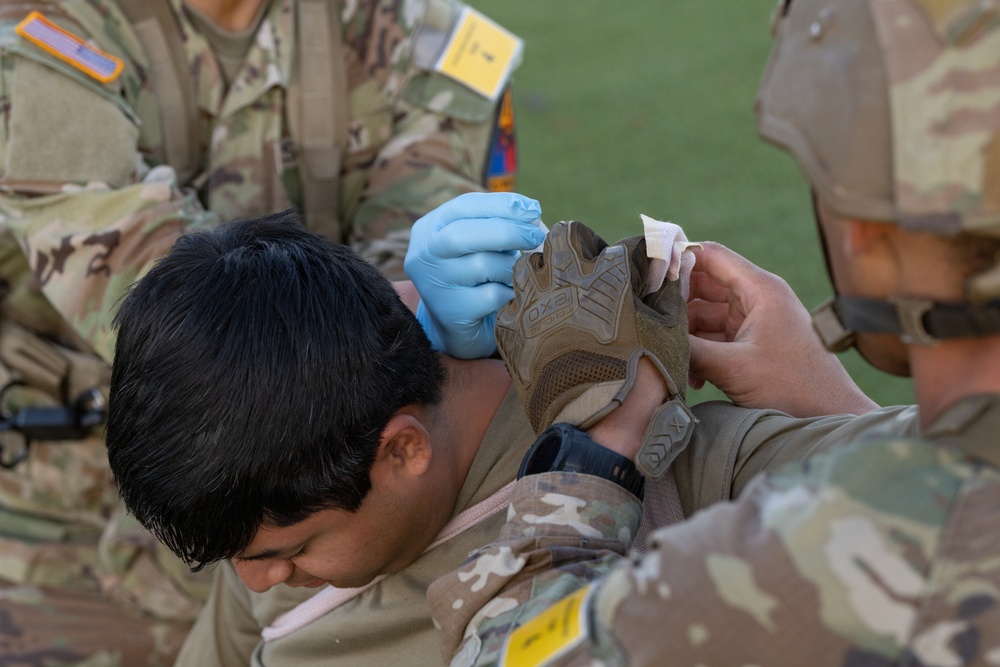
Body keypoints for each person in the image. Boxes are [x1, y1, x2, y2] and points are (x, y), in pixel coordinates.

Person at [428, 0, 1000, 663]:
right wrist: (832, 403)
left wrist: (598, 441)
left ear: (864, 231)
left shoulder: (827, 556)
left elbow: (516, 653)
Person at [0, 0, 522, 662]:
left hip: (325, 503)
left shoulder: (423, 36)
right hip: (57, 524)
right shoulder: (45, 30)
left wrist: (417, 317)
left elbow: (421, 269)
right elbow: (127, 269)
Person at [103, 209, 698, 666]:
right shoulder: (274, 489)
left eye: (289, 552)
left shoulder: (681, 492)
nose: (255, 579)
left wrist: (795, 394)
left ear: (404, 449)